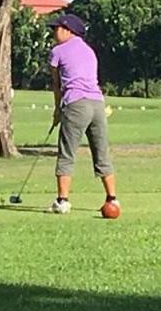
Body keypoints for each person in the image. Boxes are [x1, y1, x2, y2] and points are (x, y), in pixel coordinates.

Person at [47, 12, 117, 215]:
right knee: (102, 152)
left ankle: (63, 201)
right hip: (97, 104)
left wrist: (57, 111)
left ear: (68, 30)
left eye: (56, 29)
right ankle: (112, 199)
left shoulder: (57, 51)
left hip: (76, 103)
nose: (53, 33)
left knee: (66, 153)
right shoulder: (89, 51)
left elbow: (57, 84)